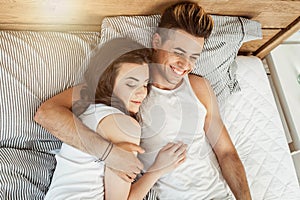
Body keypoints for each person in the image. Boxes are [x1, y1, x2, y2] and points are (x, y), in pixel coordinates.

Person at [35, 1, 252, 199]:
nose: (184, 64)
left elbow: (226, 153)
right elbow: (47, 113)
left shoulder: (199, 87)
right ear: (156, 41)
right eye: (178, 52)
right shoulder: (122, 83)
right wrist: (108, 153)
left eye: (194, 57)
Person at [44, 38, 187, 200]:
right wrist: (157, 170)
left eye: (145, 84)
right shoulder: (124, 125)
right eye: (131, 84)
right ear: (108, 82)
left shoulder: (87, 110)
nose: (141, 93)